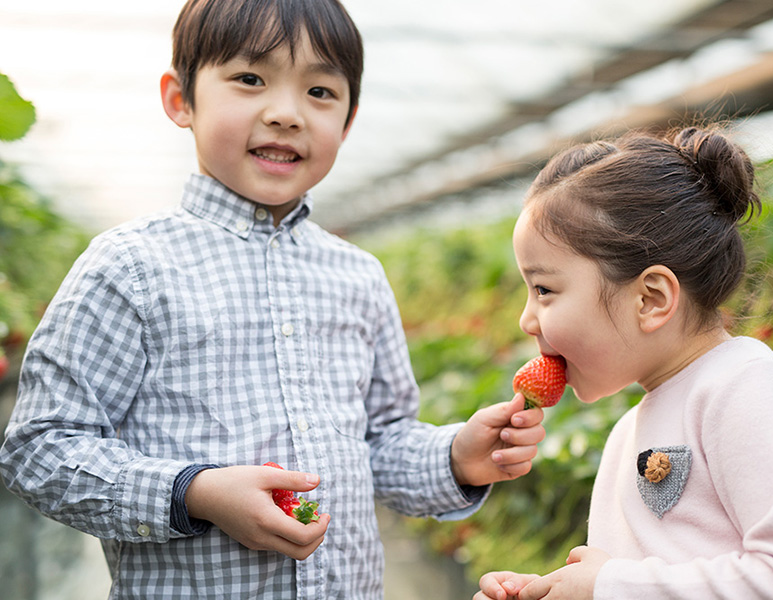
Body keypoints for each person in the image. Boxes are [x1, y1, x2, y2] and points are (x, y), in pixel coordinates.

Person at [0, 0, 545, 597]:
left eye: (319, 91)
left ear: (348, 120)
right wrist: (196, 492)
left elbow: (381, 442)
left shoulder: (358, 276)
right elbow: (40, 447)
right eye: (250, 79)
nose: (286, 113)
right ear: (181, 99)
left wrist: (453, 457)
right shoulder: (131, 267)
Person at [475, 127, 773, 599]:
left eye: (544, 290)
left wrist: (607, 586)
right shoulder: (628, 432)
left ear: (651, 299)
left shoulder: (749, 391)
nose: (526, 319)